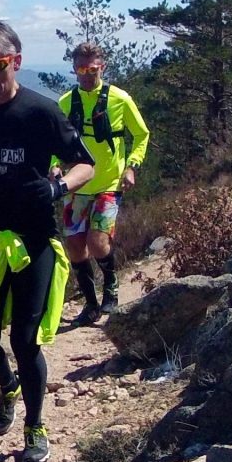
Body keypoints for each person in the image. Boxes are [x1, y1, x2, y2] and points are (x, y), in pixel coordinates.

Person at [0, 17, 96, 462]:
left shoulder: (41, 111)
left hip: (34, 238)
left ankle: (35, 426)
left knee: (27, 341)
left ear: (17, 62)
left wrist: (58, 189)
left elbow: (82, 164)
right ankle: (7, 386)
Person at [55, 41, 151, 326]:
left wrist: (132, 166)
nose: (87, 74)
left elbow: (141, 134)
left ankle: (111, 289)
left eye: (92, 68)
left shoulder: (120, 99)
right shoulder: (64, 102)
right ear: (74, 69)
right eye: (81, 68)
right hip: (75, 186)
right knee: (74, 246)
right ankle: (90, 303)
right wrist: (54, 167)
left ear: (102, 67)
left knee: (97, 243)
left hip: (109, 183)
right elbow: (53, 143)